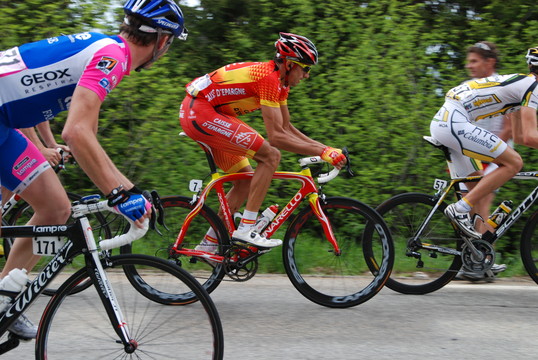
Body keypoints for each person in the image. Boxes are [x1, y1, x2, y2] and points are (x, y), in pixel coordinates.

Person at [0, 0, 187, 339]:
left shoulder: (106, 50)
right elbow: (76, 132)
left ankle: (3, 301)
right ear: (162, 41)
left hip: (4, 123)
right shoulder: (112, 57)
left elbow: (91, 139)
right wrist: (117, 193)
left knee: (56, 208)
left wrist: (128, 189)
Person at [179, 32, 346, 250]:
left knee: (246, 180)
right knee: (270, 156)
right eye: (305, 69)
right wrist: (324, 153)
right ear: (289, 64)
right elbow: (276, 138)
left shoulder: (281, 84)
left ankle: (209, 244)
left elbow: (286, 128)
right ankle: (247, 228)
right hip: (199, 112)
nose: (306, 76)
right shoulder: (268, 78)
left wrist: (325, 149)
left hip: (207, 112)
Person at [430, 47, 538, 264]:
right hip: (454, 121)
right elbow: (530, 136)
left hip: (448, 120)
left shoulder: (520, 85)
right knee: (514, 162)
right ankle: (459, 209)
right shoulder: (533, 87)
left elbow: (518, 136)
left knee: (478, 184)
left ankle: (478, 256)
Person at [455, 41, 511, 280]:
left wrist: (488, 156)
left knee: (481, 208)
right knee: (471, 212)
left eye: (475, 61)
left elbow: (508, 129)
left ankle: (480, 262)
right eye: (469, 61)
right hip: (473, 155)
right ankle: (478, 261)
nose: (470, 65)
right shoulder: (470, 87)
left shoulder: (505, 86)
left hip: (493, 157)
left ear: (490, 63)